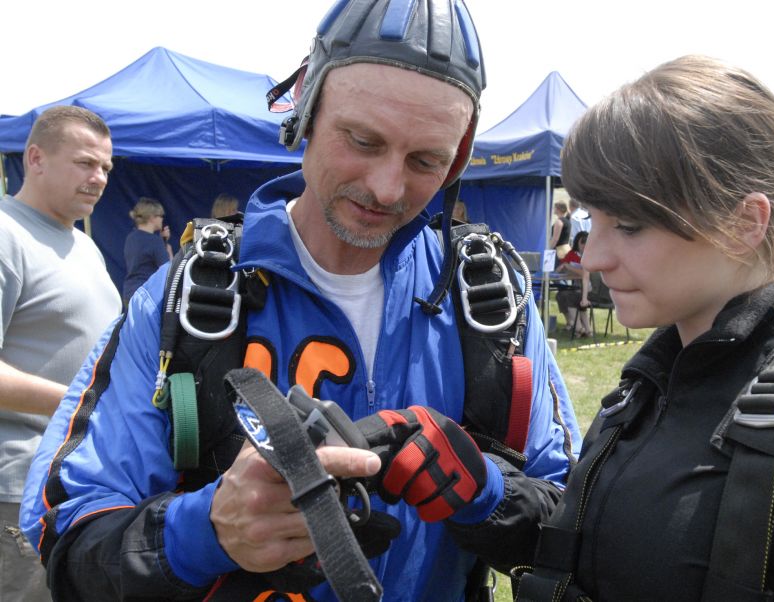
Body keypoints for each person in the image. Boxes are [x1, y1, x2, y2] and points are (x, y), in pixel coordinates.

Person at [19, 2, 580, 601]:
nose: (387, 188)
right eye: (362, 140)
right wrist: (207, 530)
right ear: (306, 109)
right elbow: (66, 534)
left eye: (426, 161)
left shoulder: (491, 299)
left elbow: (574, 526)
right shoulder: (187, 300)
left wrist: (487, 495)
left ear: (459, 157)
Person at [418, 55, 774, 600]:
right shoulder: (647, 386)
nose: (593, 256)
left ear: (744, 224)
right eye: (589, 220)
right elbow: (605, 550)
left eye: (627, 225)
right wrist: (480, 489)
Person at [0, 106, 121, 601]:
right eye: (85, 163)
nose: (98, 178)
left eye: (107, 169)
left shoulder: (83, 243)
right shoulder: (8, 235)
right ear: (36, 158)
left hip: (69, 485)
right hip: (15, 489)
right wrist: (81, 404)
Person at [121, 196, 172, 304]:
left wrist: (162, 241)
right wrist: (168, 249)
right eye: (160, 216)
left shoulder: (130, 237)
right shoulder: (154, 241)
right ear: (152, 218)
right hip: (147, 295)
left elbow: (142, 258)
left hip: (129, 292)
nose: (162, 219)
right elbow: (168, 270)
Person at [555, 230, 591, 336]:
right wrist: (563, 267)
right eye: (582, 242)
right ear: (577, 242)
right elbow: (559, 268)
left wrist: (568, 266)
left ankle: (579, 328)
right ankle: (572, 323)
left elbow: (584, 275)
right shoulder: (572, 254)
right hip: (578, 287)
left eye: (586, 242)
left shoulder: (589, 256)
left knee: (570, 296)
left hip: (588, 290)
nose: (584, 245)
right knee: (561, 295)